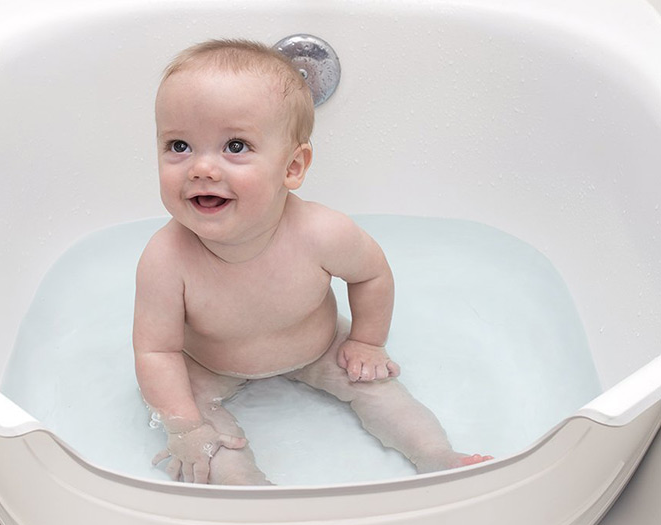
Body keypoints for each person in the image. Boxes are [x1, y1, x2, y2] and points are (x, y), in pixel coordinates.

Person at [133, 39, 491, 485]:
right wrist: (185, 428)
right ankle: (252, 495)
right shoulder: (166, 259)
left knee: (378, 390)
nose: (201, 169)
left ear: (293, 167)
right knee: (202, 438)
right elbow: (158, 351)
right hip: (206, 364)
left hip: (318, 347)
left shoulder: (322, 233)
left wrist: (367, 342)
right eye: (179, 145)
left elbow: (371, 274)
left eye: (236, 146)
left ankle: (438, 458)